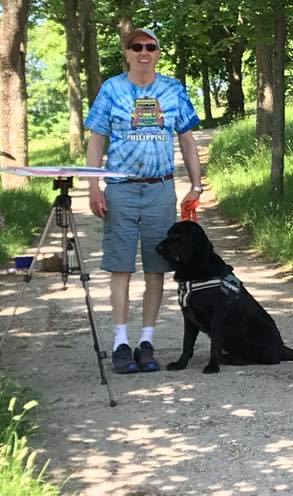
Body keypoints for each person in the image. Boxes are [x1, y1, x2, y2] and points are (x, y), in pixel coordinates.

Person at [85, 27, 203, 375]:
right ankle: (121, 342)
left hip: (160, 189)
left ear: (158, 54)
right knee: (120, 266)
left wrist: (196, 186)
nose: (143, 52)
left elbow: (187, 139)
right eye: (136, 46)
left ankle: (146, 341)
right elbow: (96, 140)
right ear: (126, 53)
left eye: (150, 47)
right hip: (120, 189)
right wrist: (93, 186)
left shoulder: (173, 89)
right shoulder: (112, 89)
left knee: (157, 268)